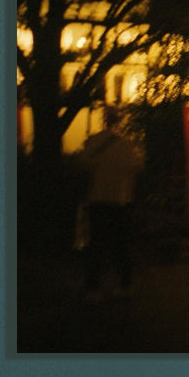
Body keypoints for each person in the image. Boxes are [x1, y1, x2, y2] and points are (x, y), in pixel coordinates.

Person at [77, 106, 144, 300]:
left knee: (95, 245)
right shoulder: (127, 145)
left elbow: (82, 163)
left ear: (104, 120)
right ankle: (124, 285)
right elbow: (138, 167)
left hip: (98, 200)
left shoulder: (95, 142)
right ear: (120, 120)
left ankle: (93, 287)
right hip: (121, 202)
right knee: (121, 246)